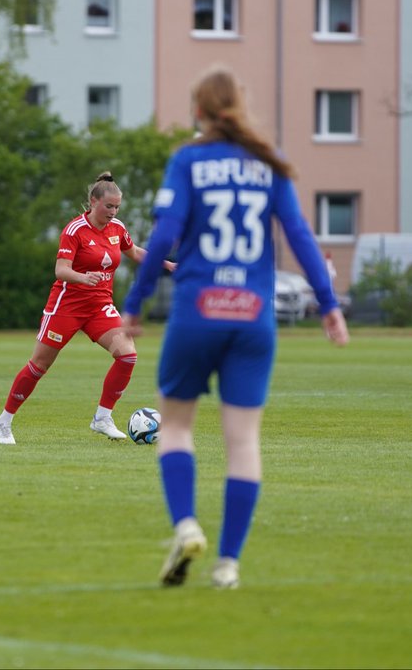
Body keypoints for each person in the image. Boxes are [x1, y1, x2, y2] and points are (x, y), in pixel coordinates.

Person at [121, 66, 349, 590]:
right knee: (243, 442)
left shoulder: (188, 160)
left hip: (197, 312)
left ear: (198, 111)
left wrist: (135, 302)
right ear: (240, 108)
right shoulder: (270, 166)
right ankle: (228, 565)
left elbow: (163, 239)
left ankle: (185, 526)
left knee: (176, 426)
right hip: (252, 318)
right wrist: (328, 303)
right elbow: (300, 236)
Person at [0, 172, 174, 445]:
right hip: (66, 307)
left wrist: (167, 264)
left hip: (99, 306)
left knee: (127, 356)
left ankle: (102, 418)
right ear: (93, 201)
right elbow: (61, 270)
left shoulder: (117, 229)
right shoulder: (75, 230)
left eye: (117, 208)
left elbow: (135, 251)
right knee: (39, 365)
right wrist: (82, 277)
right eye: (108, 207)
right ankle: (4, 422)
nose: (113, 213)